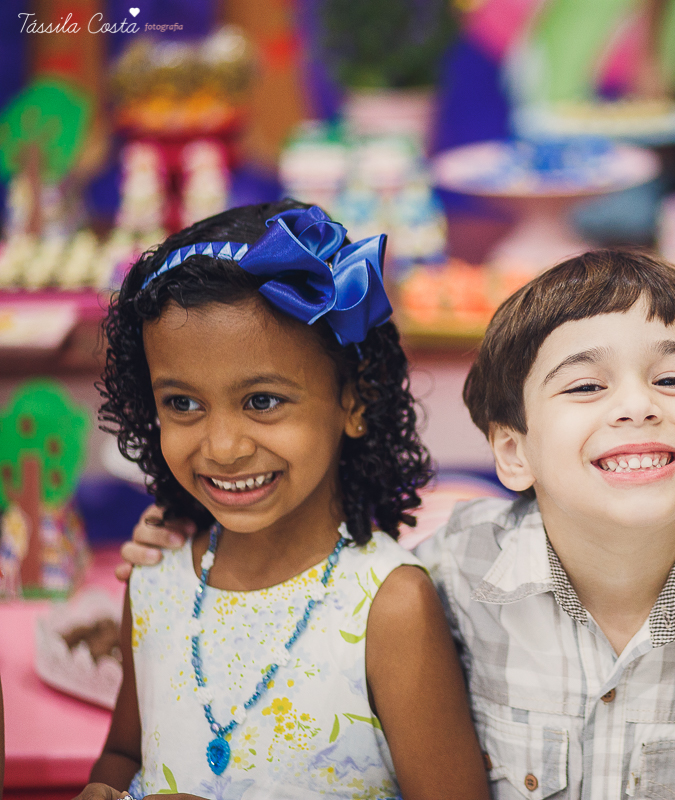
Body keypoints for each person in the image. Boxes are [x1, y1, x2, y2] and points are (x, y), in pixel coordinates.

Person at [124, 249, 675, 799]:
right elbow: (319, 602)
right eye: (585, 387)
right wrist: (189, 553)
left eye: (673, 378)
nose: (635, 404)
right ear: (512, 451)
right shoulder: (448, 575)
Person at [83, 201, 489, 800]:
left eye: (263, 401)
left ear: (354, 400)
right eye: (183, 404)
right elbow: (123, 753)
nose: (222, 447)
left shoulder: (389, 608)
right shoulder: (155, 578)